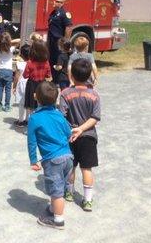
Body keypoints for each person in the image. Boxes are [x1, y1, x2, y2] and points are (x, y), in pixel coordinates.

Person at [27, 81, 74, 230]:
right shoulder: (59, 114)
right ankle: (54, 209)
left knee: (56, 192)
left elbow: (32, 142)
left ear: (36, 97)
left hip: (53, 160)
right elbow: (68, 132)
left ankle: (58, 220)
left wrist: (34, 160)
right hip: (68, 156)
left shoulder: (34, 118)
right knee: (59, 186)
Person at [59, 59, 101, 212]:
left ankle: (69, 192)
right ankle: (88, 200)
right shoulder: (94, 95)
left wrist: (74, 129)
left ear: (72, 75)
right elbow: (95, 117)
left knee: (71, 167)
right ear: (89, 74)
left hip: (70, 136)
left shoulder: (65, 94)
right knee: (87, 168)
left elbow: (61, 117)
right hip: (88, 136)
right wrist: (82, 129)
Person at [23, 41, 52, 122]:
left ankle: (31, 124)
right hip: (42, 85)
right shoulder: (46, 62)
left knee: (31, 106)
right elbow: (48, 75)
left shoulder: (30, 62)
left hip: (31, 85)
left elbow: (25, 75)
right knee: (40, 105)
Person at [0, 32, 20, 112]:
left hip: (0, 70)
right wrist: (8, 43)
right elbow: (19, 40)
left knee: (0, 89)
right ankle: (7, 106)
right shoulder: (11, 49)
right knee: (8, 90)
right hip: (9, 71)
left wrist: (2, 42)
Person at [47, 0, 72, 73]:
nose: (54, 2)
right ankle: (53, 76)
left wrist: (65, 42)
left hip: (59, 41)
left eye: (57, 1)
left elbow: (68, 28)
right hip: (52, 40)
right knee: (52, 58)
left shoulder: (65, 13)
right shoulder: (54, 12)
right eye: (54, 0)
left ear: (62, 3)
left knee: (59, 59)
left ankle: (59, 77)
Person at [13, 43, 30, 127]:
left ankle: (20, 120)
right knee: (28, 103)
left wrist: (14, 86)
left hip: (22, 84)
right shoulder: (32, 64)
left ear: (21, 54)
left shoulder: (19, 64)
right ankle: (27, 119)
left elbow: (16, 76)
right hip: (30, 84)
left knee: (21, 103)